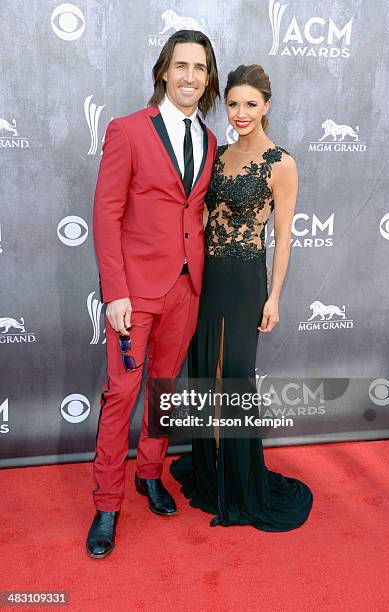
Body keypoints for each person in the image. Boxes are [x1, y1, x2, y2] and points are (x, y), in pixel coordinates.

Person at [87, 30, 219, 558]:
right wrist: (115, 292)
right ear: (164, 71)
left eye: (201, 68)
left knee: (164, 390)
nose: (190, 76)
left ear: (208, 78)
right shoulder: (127, 130)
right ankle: (106, 502)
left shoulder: (210, 141)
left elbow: (195, 211)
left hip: (187, 289)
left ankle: (149, 474)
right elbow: (106, 213)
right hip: (135, 294)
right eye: (182, 65)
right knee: (122, 394)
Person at [170, 64, 313, 531]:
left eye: (251, 104)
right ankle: (211, 472)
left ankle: (240, 481)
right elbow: (202, 216)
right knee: (205, 372)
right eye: (233, 104)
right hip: (207, 280)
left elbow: (285, 238)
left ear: (267, 106)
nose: (240, 113)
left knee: (233, 378)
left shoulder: (281, 163)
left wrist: (274, 298)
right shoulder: (220, 152)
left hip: (246, 278)